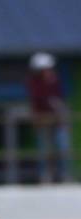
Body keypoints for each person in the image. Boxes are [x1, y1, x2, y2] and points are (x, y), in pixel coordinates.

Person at [27, 52, 72, 183]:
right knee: (44, 149)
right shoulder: (34, 83)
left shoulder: (55, 81)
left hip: (58, 121)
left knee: (63, 147)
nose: (50, 71)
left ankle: (65, 175)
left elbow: (60, 98)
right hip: (43, 120)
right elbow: (38, 101)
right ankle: (45, 175)